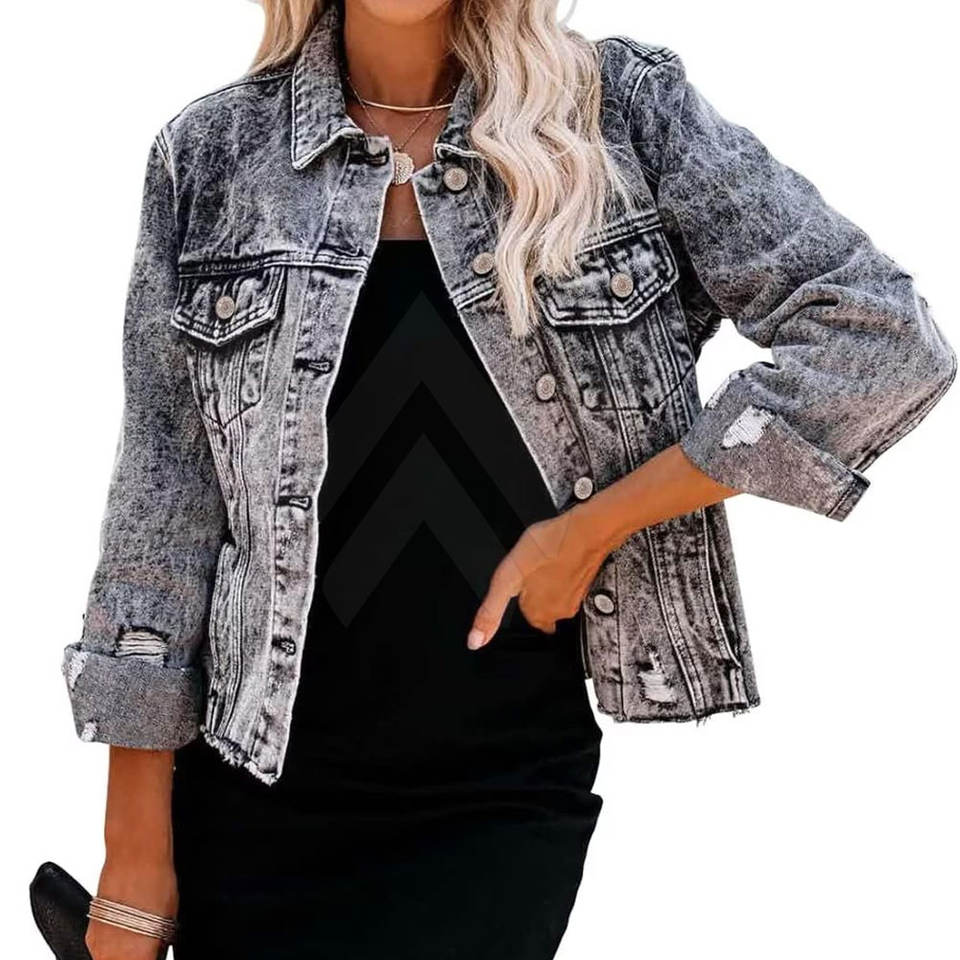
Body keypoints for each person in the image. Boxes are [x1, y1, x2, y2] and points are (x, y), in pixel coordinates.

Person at [65, 1, 955, 958]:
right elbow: (162, 515)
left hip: (500, 793)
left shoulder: (619, 115)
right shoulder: (213, 156)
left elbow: (879, 342)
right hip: (256, 788)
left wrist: (595, 527)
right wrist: (133, 859)